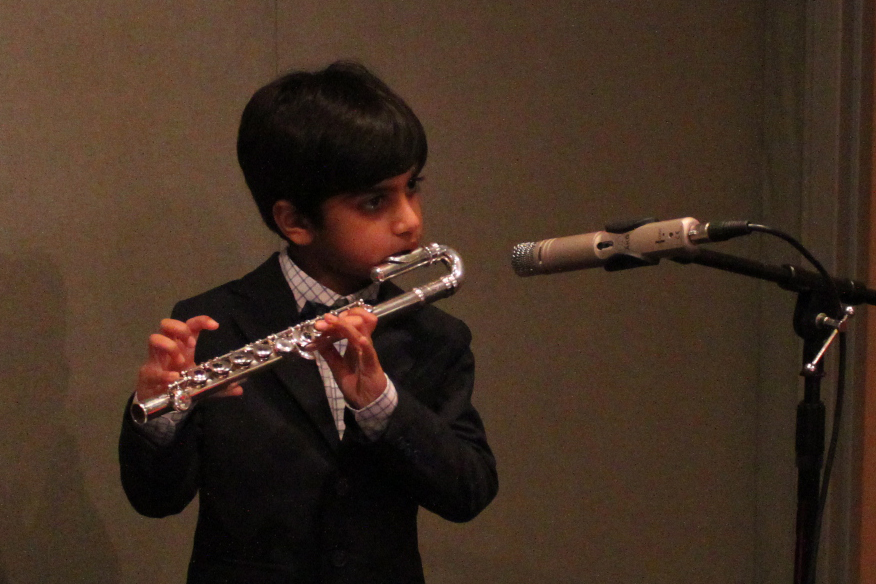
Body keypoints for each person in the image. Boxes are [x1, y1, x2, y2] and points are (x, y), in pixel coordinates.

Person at [118, 61, 498, 584]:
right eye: (374, 201)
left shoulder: (434, 337)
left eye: (412, 187)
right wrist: (158, 412)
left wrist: (382, 404)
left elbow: (468, 491)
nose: (409, 219)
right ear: (294, 221)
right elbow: (155, 499)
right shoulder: (212, 325)